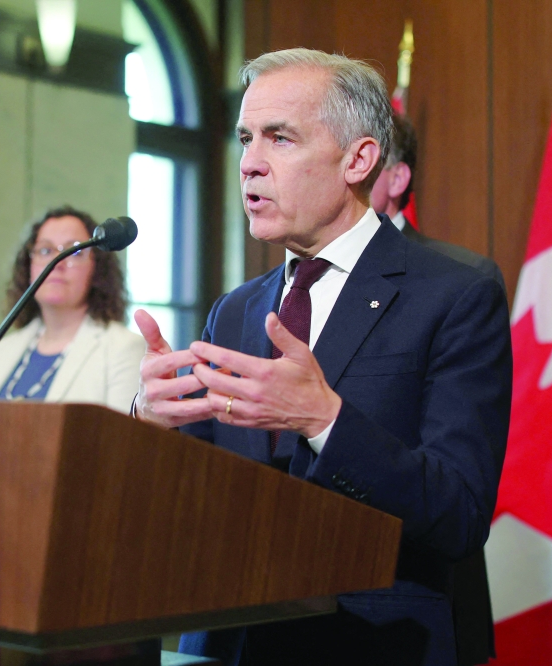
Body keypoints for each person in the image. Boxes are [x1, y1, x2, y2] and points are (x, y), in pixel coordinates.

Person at [133, 49, 512, 666]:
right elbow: (198, 503)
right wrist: (150, 425)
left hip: (370, 641)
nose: (250, 165)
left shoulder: (454, 292)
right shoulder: (235, 309)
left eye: (280, 139)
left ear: (359, 160)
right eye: (245, 139)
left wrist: (325, 420)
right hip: (228, 638)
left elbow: (458, 515)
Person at [372, 112, 504, 665]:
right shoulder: (262, 295)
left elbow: (455, 482)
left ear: (396, 178)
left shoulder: (461, 280)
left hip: (414, 599)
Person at [0, 206, 145, 413]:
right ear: (28, 267)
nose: (57, 263)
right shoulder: (2, 350)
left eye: (75, 251)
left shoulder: (124, 349)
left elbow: (121, 441)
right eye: (45, 250)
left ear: (97, 269)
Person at [371, 112, 506, 294]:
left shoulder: (467, 274)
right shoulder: (321, 266)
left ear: (397, 179)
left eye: (362, 161)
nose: (348, 175)